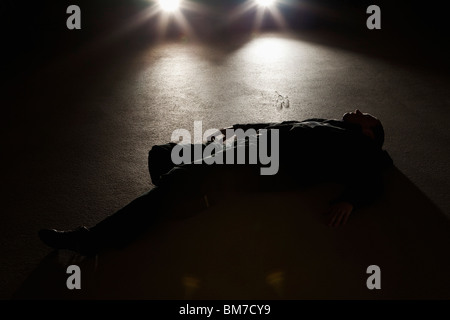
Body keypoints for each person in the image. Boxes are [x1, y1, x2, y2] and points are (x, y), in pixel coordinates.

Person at [39, 110, 393, 256]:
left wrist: (352, 200)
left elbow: (380, 171)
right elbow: (280, 127)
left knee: (177, 179)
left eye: (366, 115)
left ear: (369, 131)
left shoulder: (360, 145)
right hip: (243, 145)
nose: (357, 109)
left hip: (258, 162)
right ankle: (182, 200)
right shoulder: (326, 122)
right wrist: (235, 130)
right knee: (162, 155)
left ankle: (92, 241)